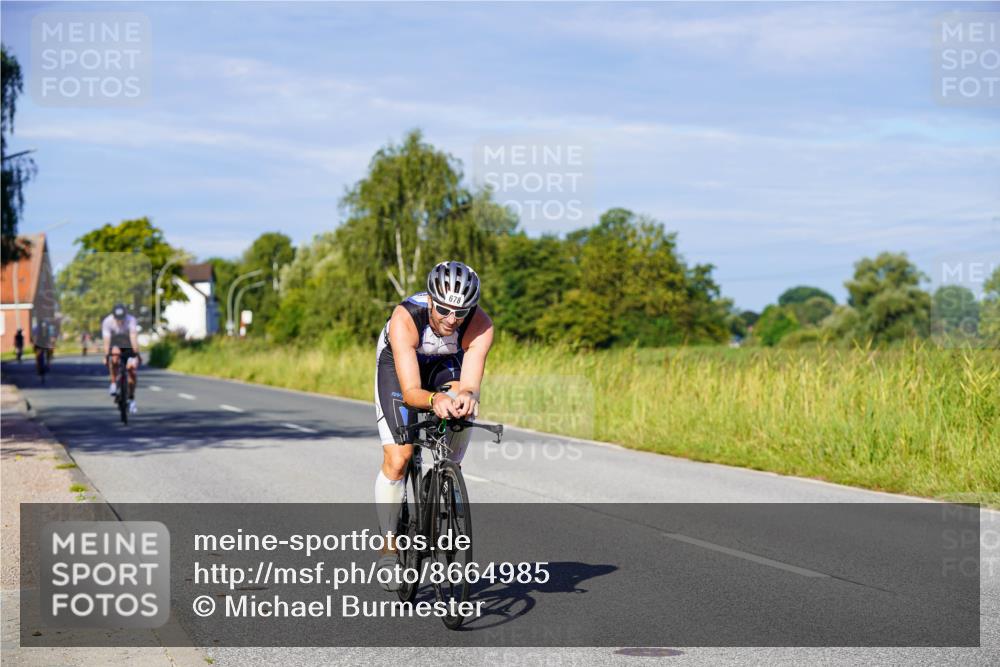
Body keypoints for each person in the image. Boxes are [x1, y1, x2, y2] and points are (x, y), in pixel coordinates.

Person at [372, 261, 494, 590]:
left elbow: (469, 382)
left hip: (444, 366)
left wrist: (465, 397)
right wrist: (433, 401)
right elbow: (412, 392)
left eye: (461, 312)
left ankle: (447, 476)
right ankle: (388, 545)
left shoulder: (480, 325)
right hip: (399, 371)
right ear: (430, 301)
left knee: (461, 409)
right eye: (443, 309)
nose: (452, 319)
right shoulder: (406, 318)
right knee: (399, 457)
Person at [102, 303, 142, 414]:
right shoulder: (107, 322)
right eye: (117, 319)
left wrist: (137, 355)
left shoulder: (131, 320)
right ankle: (114, 383)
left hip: (128, 343)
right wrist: (106, 356)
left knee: (132, 371)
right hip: (114, 342)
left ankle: (131, 398)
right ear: (113, 316)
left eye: (122, 318)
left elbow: (133, 338)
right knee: (114, 356)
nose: (120, 321)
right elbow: (106, 341)